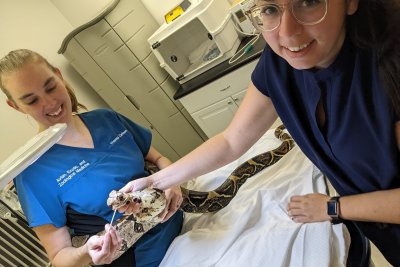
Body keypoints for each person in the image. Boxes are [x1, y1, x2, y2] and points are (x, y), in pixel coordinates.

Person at [119, 0, 400, 265]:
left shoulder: (389, 68)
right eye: (269, 9)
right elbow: (231, 141)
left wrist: (332, 208)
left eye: (310, 1)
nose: (288, 33)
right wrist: (157, 181)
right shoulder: (279, 64)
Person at [0, 49, 183, 267]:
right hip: (142, 258)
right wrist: (87, 252)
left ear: (59, 75)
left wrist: (173, 182)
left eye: (51, 86)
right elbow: (59, 257)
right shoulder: (32, 174)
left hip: (177, 224)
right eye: (31, 100)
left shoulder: (106, 119)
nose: (49, 103)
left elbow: (159, 158)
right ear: (16, 106)